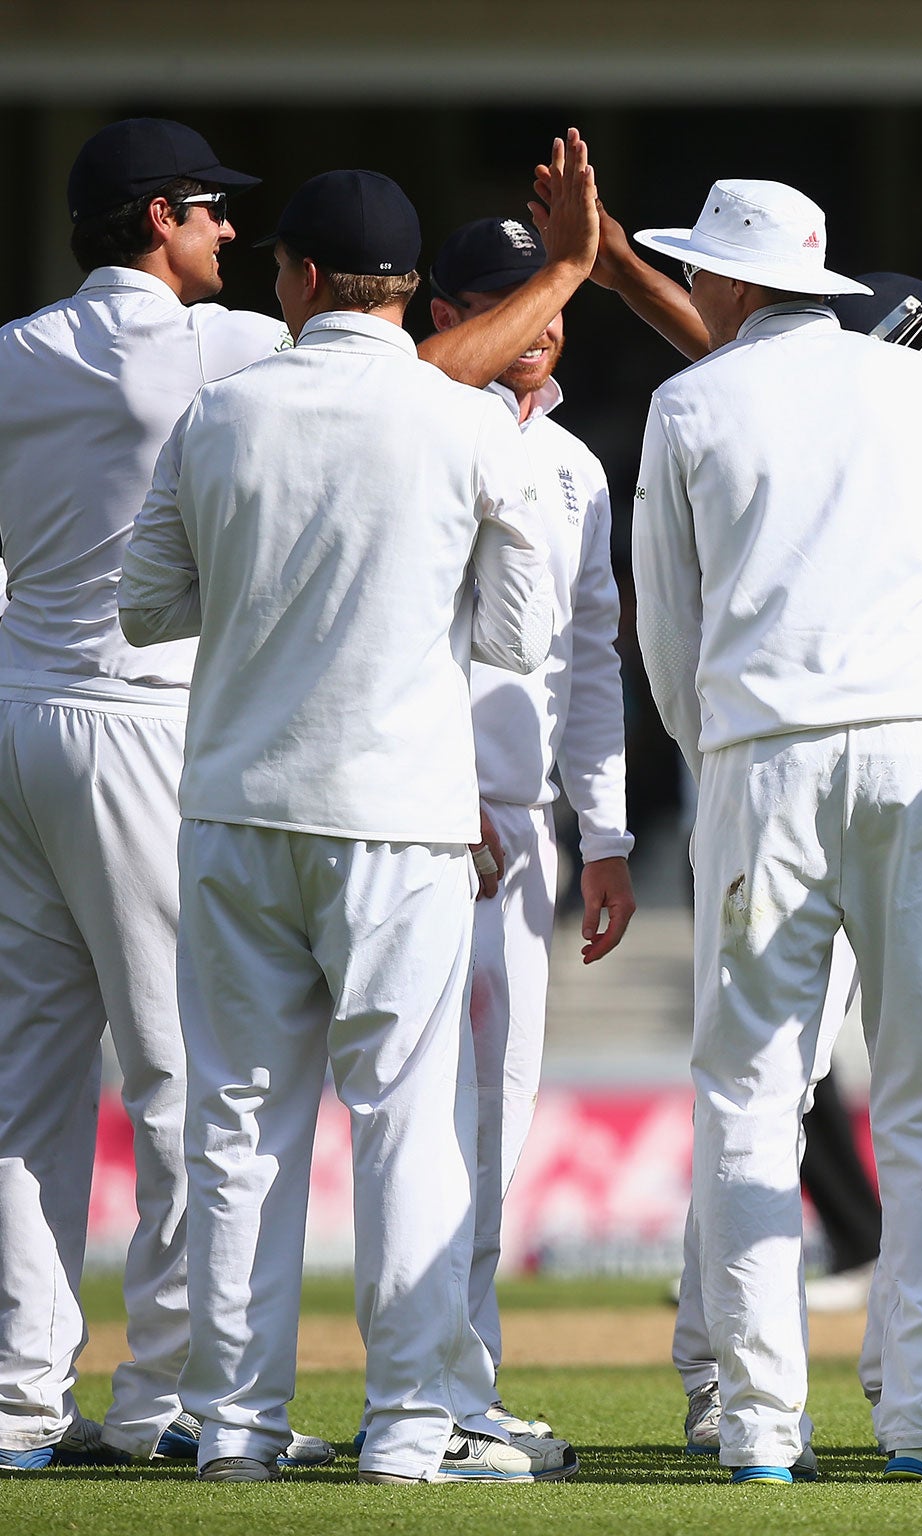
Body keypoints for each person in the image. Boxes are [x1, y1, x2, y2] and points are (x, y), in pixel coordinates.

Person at [0, 117, 593, 1474]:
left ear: (309, 277)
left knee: (186, 1115)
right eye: (211, 216)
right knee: (369, 1115)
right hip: (338, 793)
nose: (238, 249)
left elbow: (154, 596)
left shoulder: (130, 379)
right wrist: (561, 278)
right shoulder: (335, 385)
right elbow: (510, 620)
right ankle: (351, 1419)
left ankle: (166, 1420)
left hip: (155, 768)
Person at [631, 179, 922, 1484]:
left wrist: (713, 752)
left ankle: (756, 1426)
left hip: (762, 758)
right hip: (921, 744)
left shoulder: (689, 403)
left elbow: (666, 626)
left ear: (732, 284)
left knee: (748, 1094)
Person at [426, 215, 638, 1439]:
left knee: (495, 1116)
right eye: (512, 299)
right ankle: (402, 1390)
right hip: (408, 818)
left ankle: (462, 1385)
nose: (542, 325)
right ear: (448, 315)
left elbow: (587, 657)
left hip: (523, 831)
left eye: (554, 299)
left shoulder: (572, 465)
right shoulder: (414, 435)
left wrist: (603, 834)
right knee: (413, 1116)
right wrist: (436, 790)